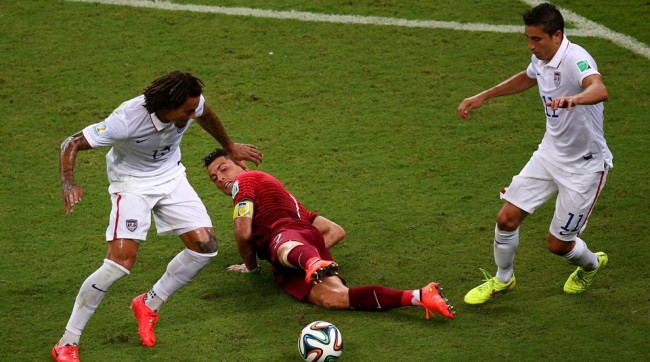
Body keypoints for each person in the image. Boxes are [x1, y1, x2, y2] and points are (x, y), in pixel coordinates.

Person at [52, 71, 263, 362]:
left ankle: (149, 303)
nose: (192, 115)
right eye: (186, 111)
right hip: (132, 183)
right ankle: (67, 341)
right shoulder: (125, 119)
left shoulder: (190, 106)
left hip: (171, 176)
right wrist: (68, 182)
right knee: (119, 263)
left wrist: (229, 146)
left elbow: (206, 114)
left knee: (205, 247)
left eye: (194, 108)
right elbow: (71, 143)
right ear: (167, 106)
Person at [457, 3, 611, 305]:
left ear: (557, 35)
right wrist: (483, 95)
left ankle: (591, 265)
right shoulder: (541, 58)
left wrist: (574, 100)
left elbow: (598, 88)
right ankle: (503, 279)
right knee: (507, 219)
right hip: (549, 155)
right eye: (528, 38)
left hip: (584, 168)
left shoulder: (575, 58)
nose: (531, 45)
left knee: (558, 245)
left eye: (536, 39)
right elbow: (529, 76)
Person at [204, 148, 455, 320]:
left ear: (241, 164)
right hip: (302, 244)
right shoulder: (289, 200)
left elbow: (243, 232)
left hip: (287, 239)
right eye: (214, 178)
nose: (221, 179)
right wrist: (307, 254)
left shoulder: (244, 182)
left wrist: (252, 267)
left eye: (224, 168)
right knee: (333, 298)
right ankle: (419, 296)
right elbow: (334, 230)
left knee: (285, 246)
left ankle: (311, 261)